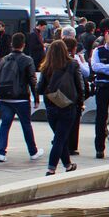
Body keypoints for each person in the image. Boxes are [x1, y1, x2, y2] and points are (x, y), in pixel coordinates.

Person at [36, 39, 83, 175]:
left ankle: (68, 165)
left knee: (59, 136)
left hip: (51, 106)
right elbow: (79, 86)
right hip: (68, 106)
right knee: (60, 139)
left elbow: (40, 88)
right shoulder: (72, 64)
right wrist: (80, 103)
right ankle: (51, 168)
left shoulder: (46, 67)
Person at [0, 32, 40, 162]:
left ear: (11, 44)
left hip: (4, 97)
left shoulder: (4, 59)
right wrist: (36, 97)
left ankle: (1, 153)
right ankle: (33, 152)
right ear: (23, 45)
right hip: (20, 97)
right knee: (26, 124)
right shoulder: (27, 60)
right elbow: (32, 80)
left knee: (5, 124)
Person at [89, 29, 109, 158]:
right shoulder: (98, 50)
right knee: (101, 118)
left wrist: (106, 67)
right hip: (102, 86)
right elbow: (95, 67)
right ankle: (99, 148)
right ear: (106, 36)